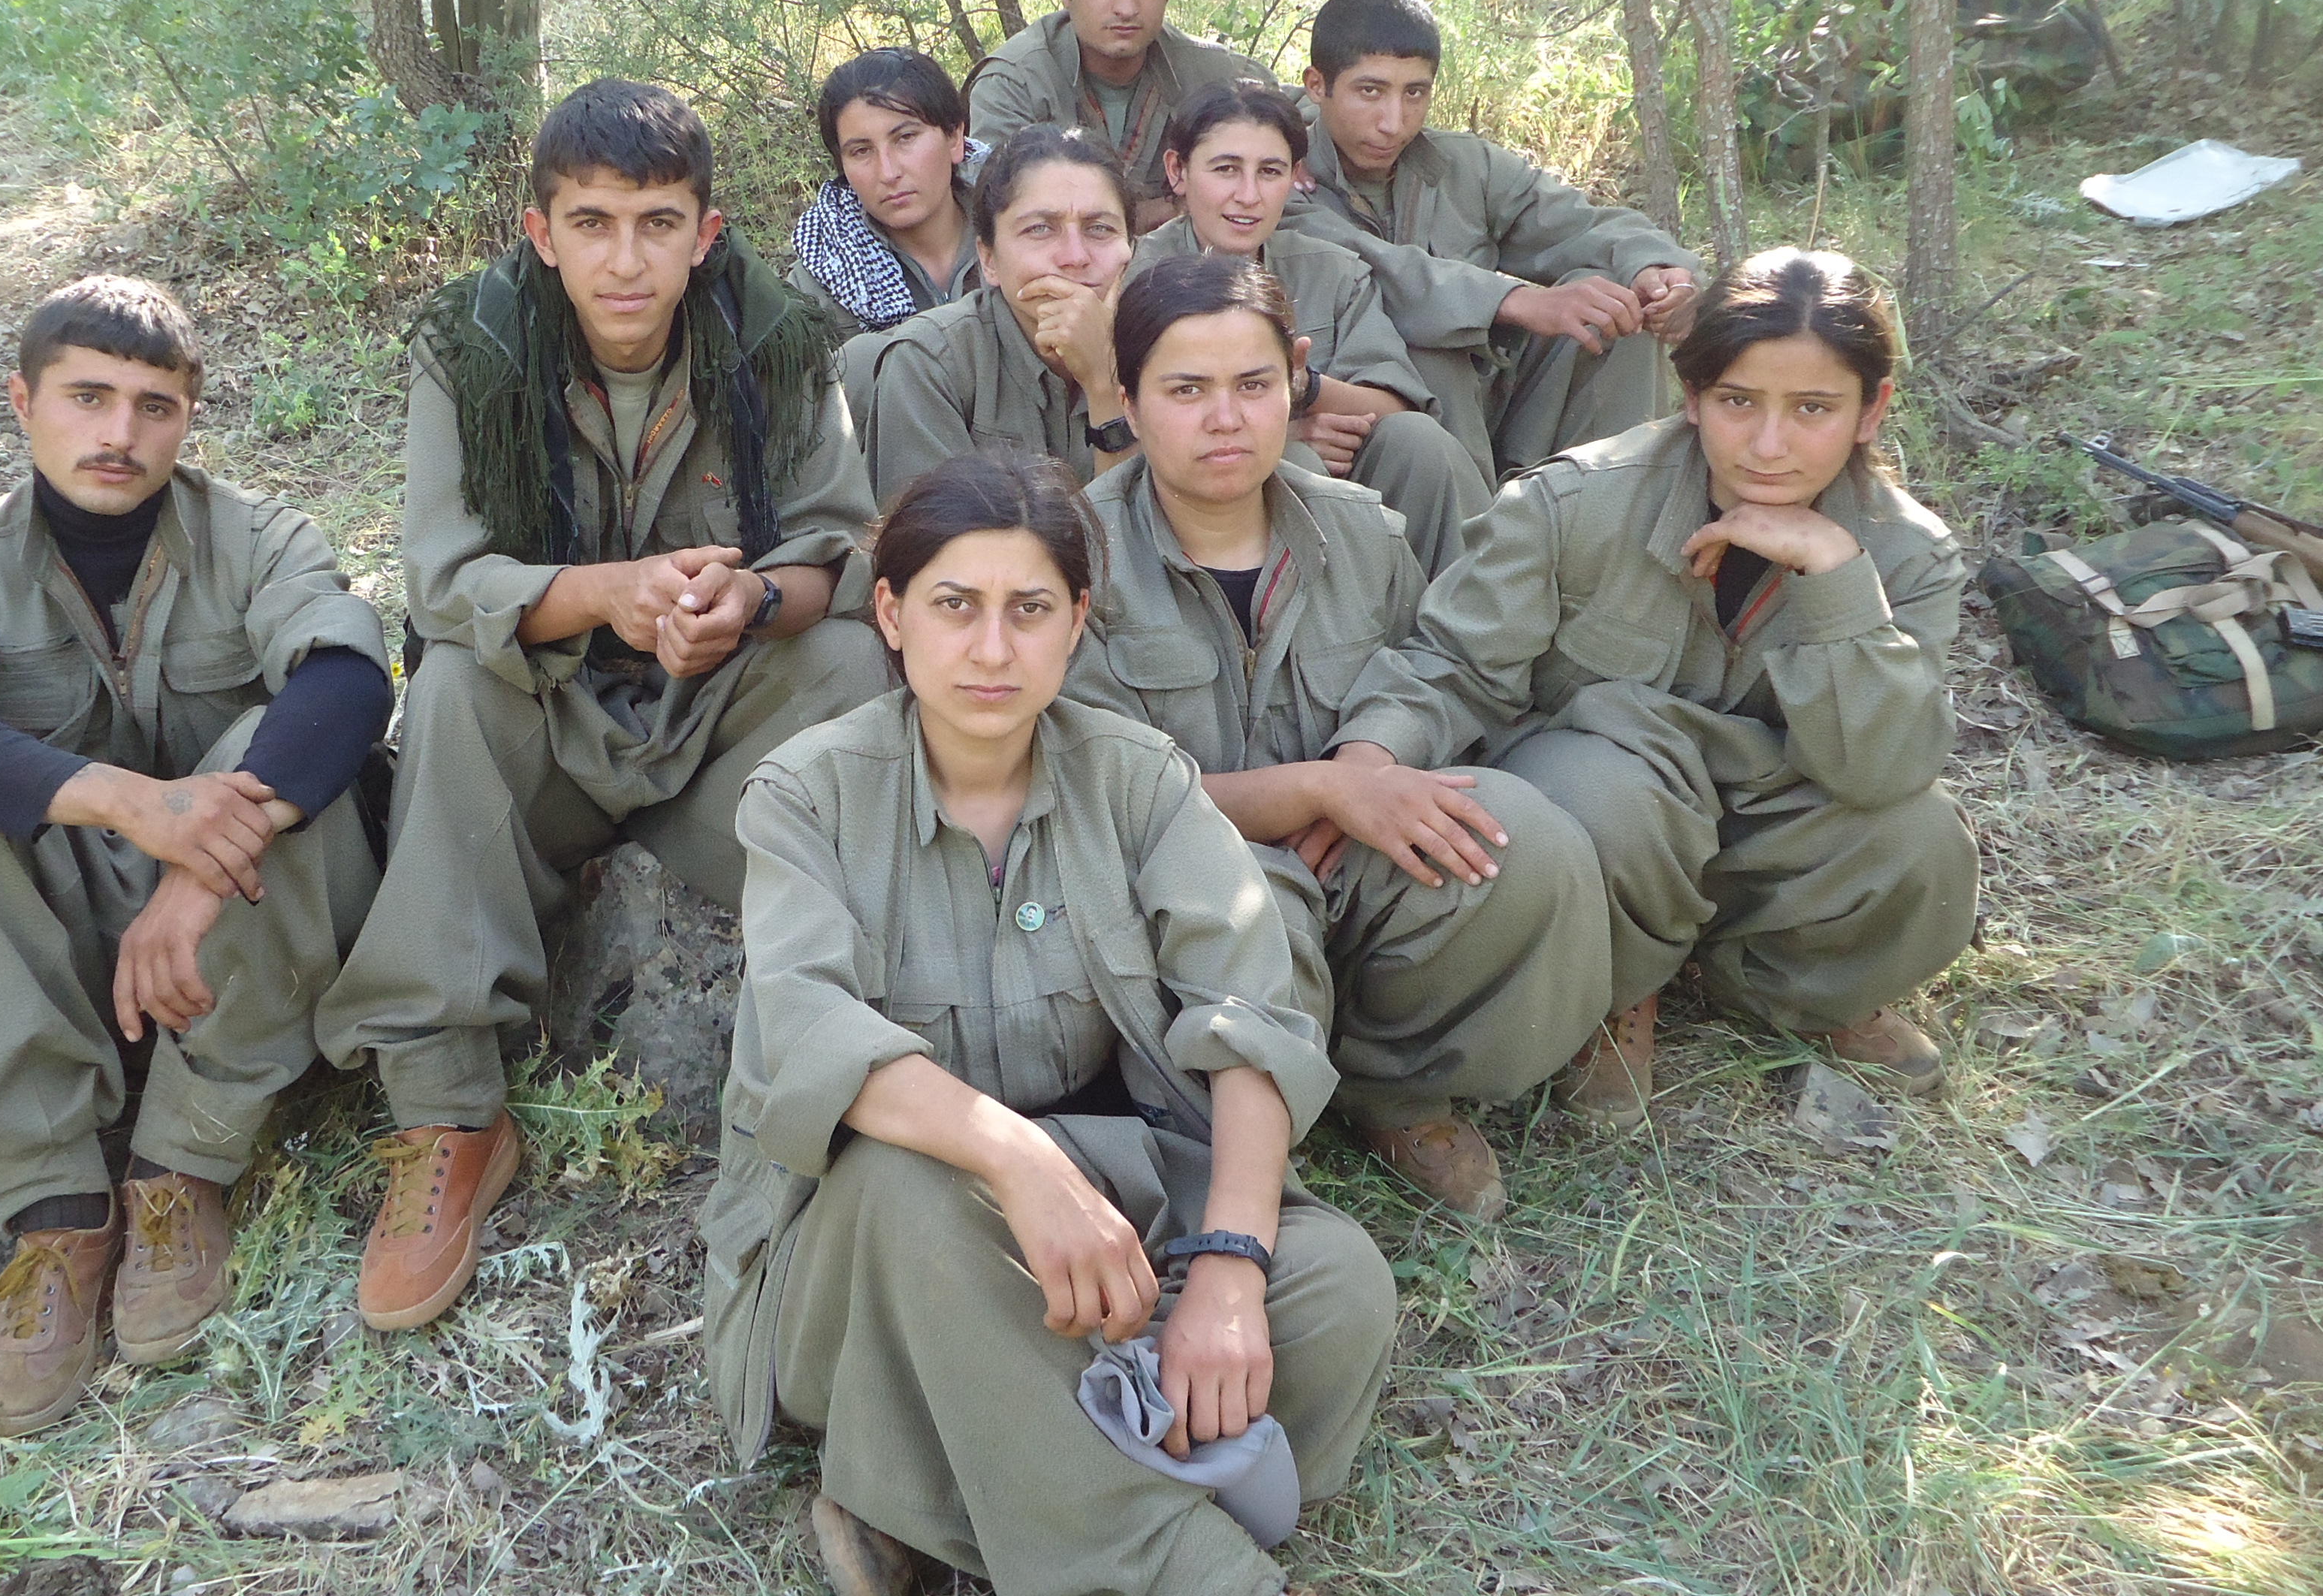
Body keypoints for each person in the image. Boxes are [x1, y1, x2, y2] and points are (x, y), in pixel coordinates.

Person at [703, 453, 1396, 1596]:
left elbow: (1252, 1023)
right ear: (891, 614)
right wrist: (1018, 1162)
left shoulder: (1140, 779)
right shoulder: (805, 795)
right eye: (954, 606)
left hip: (1118, 1201)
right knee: (907, 1190)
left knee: (1337, 1289)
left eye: (1029, 610)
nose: (992, 649)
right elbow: (811, 1033)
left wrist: (1230, 1271)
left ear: (1076, 622)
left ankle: (927, 1489)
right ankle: (1175, 1564)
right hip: (876, 1248)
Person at [322, 80, 891, 1333]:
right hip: (552, 719)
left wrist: (745, 602)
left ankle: (851, 1019)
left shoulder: (784, 340)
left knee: (851, 668)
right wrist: (605, 596)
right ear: (541, 232)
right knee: (453, 679)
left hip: (714, 719)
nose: (625, 261)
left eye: (656, 223)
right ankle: (450, 1113)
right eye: (591, 223)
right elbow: (444, 581)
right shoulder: (469, 347)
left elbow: (839, 554)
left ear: (706, 230)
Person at [0, 276, 395, 1436]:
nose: (120, 433)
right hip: (61, 938)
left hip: (235, 933)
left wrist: (194, 867)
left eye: (154, 406)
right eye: (88, 398)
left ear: (187, 418)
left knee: (279, 763)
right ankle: (54, 1210)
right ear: (23, 403)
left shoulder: (262, 538)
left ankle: (185, 1163)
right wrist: (138, 807)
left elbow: (347, 682)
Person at [1063, 260, 1607, 1221]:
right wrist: (1317, 791)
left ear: (1297, 378)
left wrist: (1368, 760)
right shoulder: (1072, 563)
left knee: (1514, 837)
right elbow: (1091, 788)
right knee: (1246, 938)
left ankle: (1389, 1087)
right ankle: (1230, 1158)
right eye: (1185, 390)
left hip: (1346, 858)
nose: (1225, 419)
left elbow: (1428, 671)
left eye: (1253, 384)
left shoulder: (1359, 531)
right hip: (1171, 889)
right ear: (1129, 402)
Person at [1385, 248, 1978, 1127]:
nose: (1769, 445)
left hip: (1760, 820)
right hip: (1606, 821)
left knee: (1921, 840)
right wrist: (1367, 766)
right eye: (1739, 402)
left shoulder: (1908, 553)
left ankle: (1784, 986)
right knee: (1609, 793)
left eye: (1813, 408)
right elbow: (1452, 668)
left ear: (1870, 411)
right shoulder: (1572, 504)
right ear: (1692, 395)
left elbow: (1885, 771)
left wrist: (1836, 576)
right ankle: (1611, 993)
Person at [1283, 0, 1700, 481]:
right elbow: (1388, 273)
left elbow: (1577, 222)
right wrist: (1518, 301)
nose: (1393, 122)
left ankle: (1606, 501)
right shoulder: (1276, 176)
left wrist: (1659, 271)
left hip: (1491, 403)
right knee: (1430, 345)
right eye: (1369, 91)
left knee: (1615, 311)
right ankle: (1479, 519)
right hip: (1376, 428)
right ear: (1317, 86)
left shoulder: (1464, 165)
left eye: (1415, 93)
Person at [1131, 78, 1488, 576]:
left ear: (1296, 176)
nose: (1248, 195)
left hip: (1340, 465)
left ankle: (1465, 605)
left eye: (1270, 171)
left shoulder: (1330, 269)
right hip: (1193, 481)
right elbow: (1127, 424)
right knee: (1297, 466)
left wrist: (1308, 387)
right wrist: (1281, 433)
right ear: (1178, 171)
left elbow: (1396, 403)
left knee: (1420, 443)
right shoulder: (1137, 277)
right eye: (1226, 169)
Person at [861, 125, 1141, 506]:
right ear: (989, 259)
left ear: (1130, 248)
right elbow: (936, 540)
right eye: (1040, 229)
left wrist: (1105, 385)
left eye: (1099, 229)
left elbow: (1152, 538)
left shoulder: (1166, 352)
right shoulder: (930, 362)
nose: (1075, 257)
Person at [965, 0, 1275, 224]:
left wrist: (1295, 159)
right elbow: (1002, 217)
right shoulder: (1014, 84)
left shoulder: (1209, 70)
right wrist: (1169, 209)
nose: (1127, 7)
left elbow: (1302, 110)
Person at [786, 47, 988, 432]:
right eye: (861, 151)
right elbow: (801, 425)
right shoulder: (820, 279)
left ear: (954, 138)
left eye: (906, 137)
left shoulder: (1024, 230)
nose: (888, 171)